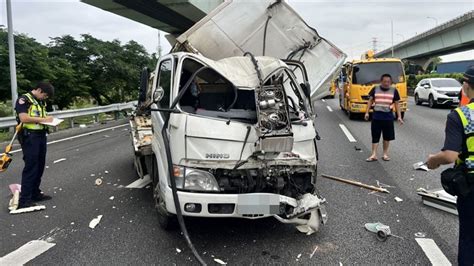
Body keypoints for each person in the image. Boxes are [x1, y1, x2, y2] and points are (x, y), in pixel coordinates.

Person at [426, 66, 474, 265]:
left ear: (466, 85)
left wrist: (432, 160)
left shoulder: (461, 115)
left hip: (471, 186)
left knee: (469, 238)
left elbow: (449, 156)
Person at [15, 82, 55, 209]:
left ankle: (35, 193)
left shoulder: (39, 102)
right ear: (39, 90)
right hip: (29, 137)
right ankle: (24, 200)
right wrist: (44, 120)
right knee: (31, 167)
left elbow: (40, 116)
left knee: (40, 165)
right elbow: (24, 118)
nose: (45, 98)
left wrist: (50, 120)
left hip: (41, 135)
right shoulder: (24, 100)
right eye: (45, 95)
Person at [364, 73, 404, 162]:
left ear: (391, 82)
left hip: (388, 117)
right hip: (376, 116)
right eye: (385, 81)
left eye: (388, 82)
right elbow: (370, 101)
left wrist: (399, 117)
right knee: (375, 136)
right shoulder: (375, 89)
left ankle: (385, 154)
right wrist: (367, 112)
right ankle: (374, 154)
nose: (386, 83)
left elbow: (397, 104)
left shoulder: (394, 90)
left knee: (387, 137)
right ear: (381, 81)